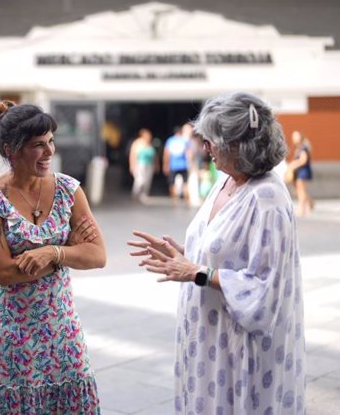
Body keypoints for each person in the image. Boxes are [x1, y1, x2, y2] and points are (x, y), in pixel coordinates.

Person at [128, 92, 306, 414]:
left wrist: (197, 272)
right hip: (207, 340)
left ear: (238, 145)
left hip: (238, 350)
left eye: (211, 141)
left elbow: (266, 287)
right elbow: (222, 250)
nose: (203, 147)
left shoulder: (267, 198)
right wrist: (180, 255)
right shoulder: (224, 181)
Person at [0, 100, 107, 415]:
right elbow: (5, 272)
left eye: (50, 142)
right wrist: (69, 252)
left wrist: (51, 252)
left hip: (61, 325)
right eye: (37, 145)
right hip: (13, 331)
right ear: (10, 149)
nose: (49, 152)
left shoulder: (69, 190)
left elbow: (97, 256)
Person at [288, 130, 315, 216]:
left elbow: (303, 160)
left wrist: (293, 165)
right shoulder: (298, 148)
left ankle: (302, 209)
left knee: (301, 191)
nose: (294, 139)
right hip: (299, 171)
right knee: (300, 190)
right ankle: (311, 202)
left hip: (303, 171)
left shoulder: (303, 148)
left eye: (296, 136)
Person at [163, 124, 190, 206]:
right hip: (183, 165)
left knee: (172, 184)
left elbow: (166, 153)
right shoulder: (184, 141)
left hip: (173, 165)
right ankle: (187, 201)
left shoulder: (170, 140)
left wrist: (165, 164)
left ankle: (174, 201)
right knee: (185, 183)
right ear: (181, 132)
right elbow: (189, 153)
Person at [129, 128, 156, 203]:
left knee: (147, 180)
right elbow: (133, 155)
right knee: (140, 180)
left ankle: (144, 195)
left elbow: (154, 156)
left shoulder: (149, 144)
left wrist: (156, 164)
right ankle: (135, 194)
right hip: (140, 164)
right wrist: (132, 165)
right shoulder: (137, 143)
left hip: (149, 164)